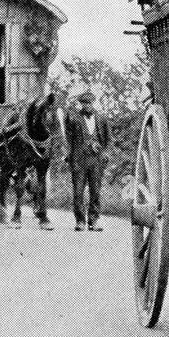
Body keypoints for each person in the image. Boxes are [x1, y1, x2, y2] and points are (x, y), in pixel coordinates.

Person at [64, 88, 111, 231]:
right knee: (78, 191)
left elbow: (108, 139)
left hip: (96, 160)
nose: (87, 106)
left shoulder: (101, 119)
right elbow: (67, 138)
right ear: (81, 104)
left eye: (89, 103)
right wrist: (68, 154)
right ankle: (80, 221)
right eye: (84, 103)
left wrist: (105, 153)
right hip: (79, 160)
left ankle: (94, 220)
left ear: (93, 103)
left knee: (95, 191)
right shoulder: (73, 119)